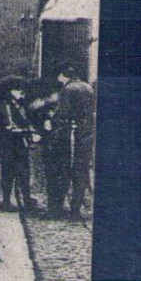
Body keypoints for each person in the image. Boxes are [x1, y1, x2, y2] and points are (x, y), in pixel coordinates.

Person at [53, 68, 96, 219]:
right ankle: (76, 209)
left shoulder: (68, 89)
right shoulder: (88, 87)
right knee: (82, 170)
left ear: (63, 75)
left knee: (65, 169)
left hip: (72, 134)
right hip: (87, 133)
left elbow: (62, 113)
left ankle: (59, 208)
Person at [0, 81, 34, 209]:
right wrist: (28, 132)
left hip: (17, 142)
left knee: (23, 171)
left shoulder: (17, 105)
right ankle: (6, 202)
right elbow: (10, 126)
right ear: (12, 91)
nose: (22, 95)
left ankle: (26, 199)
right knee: (9, 172)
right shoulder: (6, 106)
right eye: (20, 91)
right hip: (9, 143)